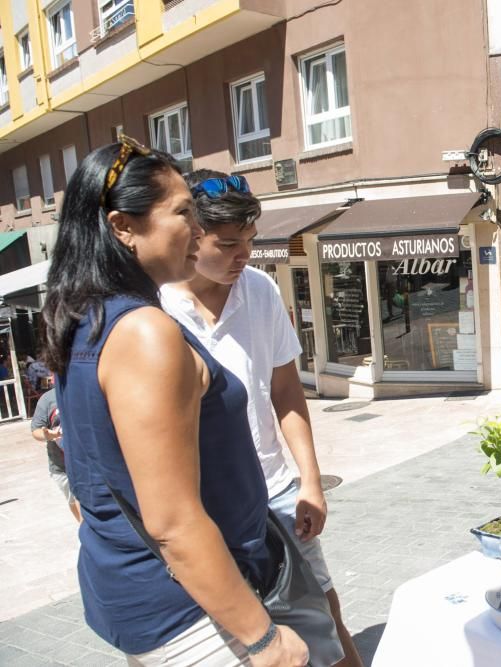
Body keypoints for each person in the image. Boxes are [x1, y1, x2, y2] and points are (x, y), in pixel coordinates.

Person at [40, 137, 310, 665]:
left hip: (143, 593)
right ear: (123, 227)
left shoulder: (85, 318)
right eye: (184, 212)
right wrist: (263, 640)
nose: (198, 227)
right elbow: (172, 521)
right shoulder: (144, 332)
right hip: (190, 614)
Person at [160, 170, 362, 667]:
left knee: (324, 613)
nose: (244, 254)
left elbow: (286, 392)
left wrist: (309, 482)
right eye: (227, 244)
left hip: (274, 491)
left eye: (249, 241)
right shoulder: (154, 308)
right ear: (190, 236)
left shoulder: (260, 290)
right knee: (246, 639)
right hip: (202, 511)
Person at [30, 381, 82, 523]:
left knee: (82, 501)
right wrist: (49, 435)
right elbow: (36, 431)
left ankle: (87, 532)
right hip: (60, 466)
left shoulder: (84, 390)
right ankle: (84, 529)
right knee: (72, 500)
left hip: (85, 463)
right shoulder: (47, 399)